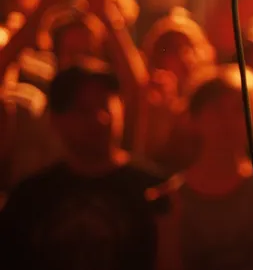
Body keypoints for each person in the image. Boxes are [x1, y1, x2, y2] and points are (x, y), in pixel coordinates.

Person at [0, 58, 163, 270]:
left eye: (105, 105)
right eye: (84, 109)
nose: (101, 118)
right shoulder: (31, 198)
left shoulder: (155, 191)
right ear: (56, 120)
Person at [149, 65, 253, 270]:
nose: (228, 120)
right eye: (217, 109)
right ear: (195, 118)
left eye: (239, 109)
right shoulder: (173, 198)